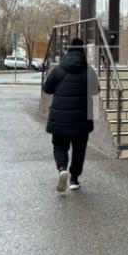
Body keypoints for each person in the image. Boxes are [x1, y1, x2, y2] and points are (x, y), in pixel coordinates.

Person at [43, 37, 100, 193]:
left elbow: (47, 89)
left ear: (68, 51)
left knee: (59, 146)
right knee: (79, 149)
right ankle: (74, 179)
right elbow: (96, 91)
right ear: (83, 52)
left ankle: (62, 169)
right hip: (82, 119)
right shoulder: (89, 71)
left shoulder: (58, 69)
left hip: (59, 119)